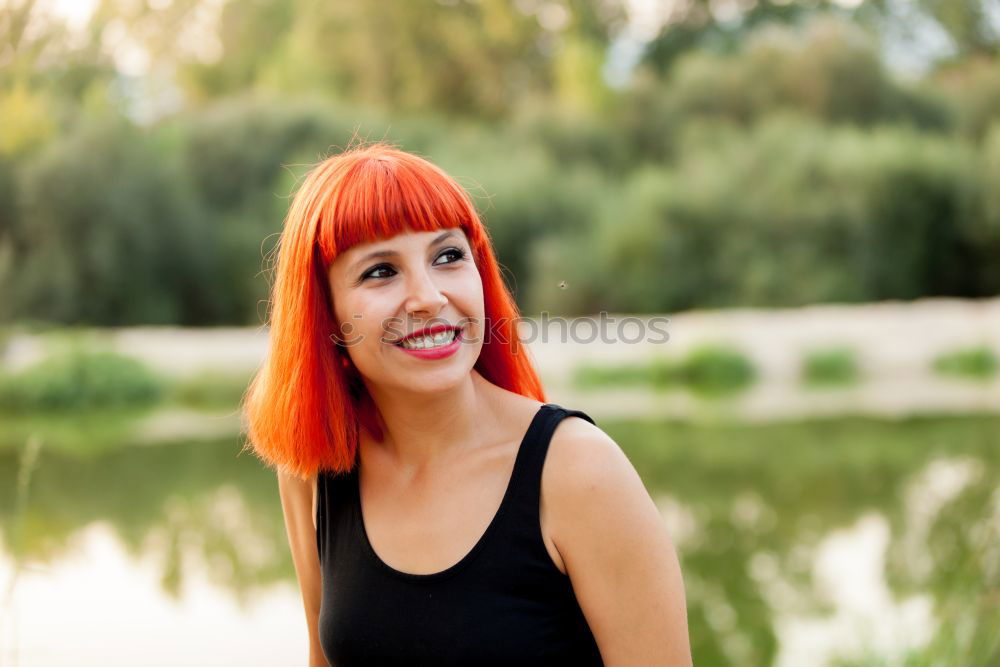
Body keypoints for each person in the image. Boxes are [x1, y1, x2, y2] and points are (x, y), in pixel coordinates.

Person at [242, 142, 692, 666]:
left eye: (448, 256)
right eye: (380, 271)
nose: (429, 297)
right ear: (324, 313)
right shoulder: (318, 467)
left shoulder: (579, 471)